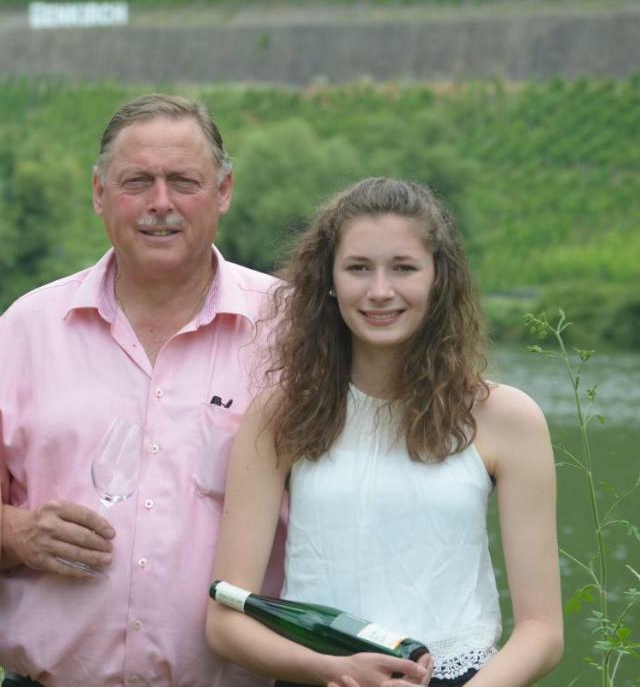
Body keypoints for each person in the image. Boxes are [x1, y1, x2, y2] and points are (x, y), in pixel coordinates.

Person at [0, 94, 286, 687]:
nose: (160, 203)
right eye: (137, 181)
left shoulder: (292, 333)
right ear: (98, 193)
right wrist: (16, 534)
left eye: (183, 181)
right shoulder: (23, 332)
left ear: (223, 191)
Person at [205, 177, 563, 687]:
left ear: (439, 278)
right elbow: (224, 619)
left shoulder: (509, 418)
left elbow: (542, 631)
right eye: (357, 268)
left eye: (403, 268)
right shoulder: (280, 414)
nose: (379, 291)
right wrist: (332, 669)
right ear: (328, 280)